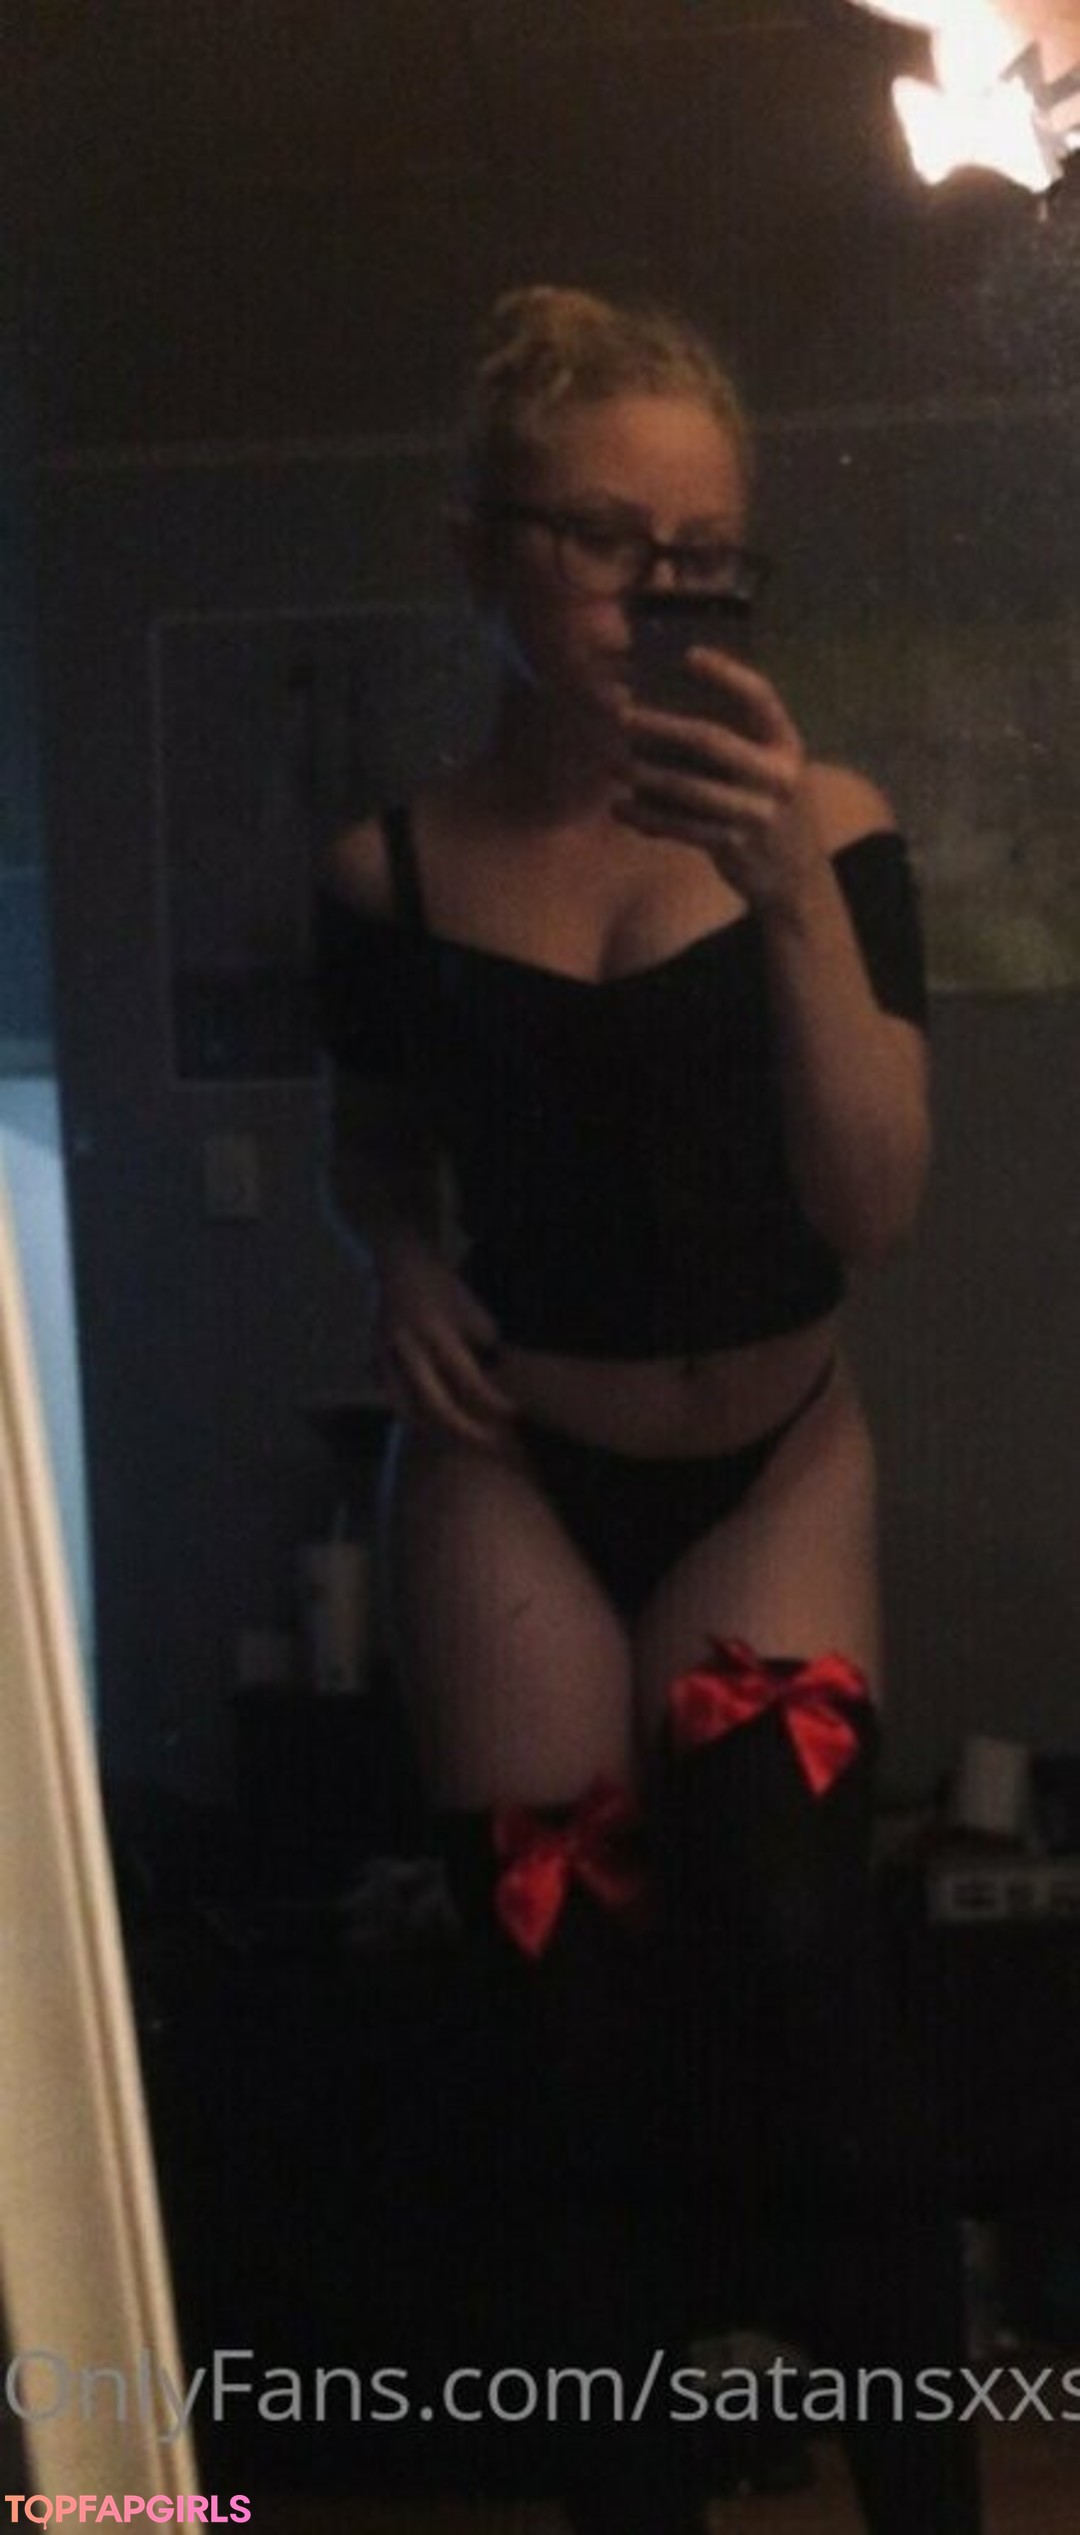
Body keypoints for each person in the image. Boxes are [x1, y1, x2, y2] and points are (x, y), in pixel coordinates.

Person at [315, 286, 981, 2535]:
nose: (662, 595)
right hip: (512, 1470)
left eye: (707, 554)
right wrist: (396, 1256)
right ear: (480, 554)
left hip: (771, 1464)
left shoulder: (834, 828)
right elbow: (376, 1148)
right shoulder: (389, 874)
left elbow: (874, 1209)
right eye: (607, 540)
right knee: (559, 2008)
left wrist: (788, 896)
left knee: (805, 1960)